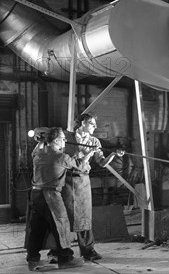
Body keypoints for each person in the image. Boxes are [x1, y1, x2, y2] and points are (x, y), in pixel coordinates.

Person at [49, 112, 123, 262]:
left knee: (84, 216)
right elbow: (56, 155)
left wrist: (114, 155)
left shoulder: (95, 141)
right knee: (63, 216)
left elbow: (101, 162)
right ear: (82, 123)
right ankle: (60, 250)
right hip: (65, 180)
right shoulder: (66, 137)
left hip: (82, 181)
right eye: (92, 124)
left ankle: (88, 250)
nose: (95, 127)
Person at [26, 127, 84, 271]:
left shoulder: (38, 154)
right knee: (60, 224)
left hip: (35, 195)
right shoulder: (61, 157)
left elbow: (37, 150)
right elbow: (80, 166)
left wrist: (41, 141)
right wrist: (87, 154)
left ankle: (32, 260)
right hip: (51, 196)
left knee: (37, 229)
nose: (65, 141)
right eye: (63, 139)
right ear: (57, 140)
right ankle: (65, 258)